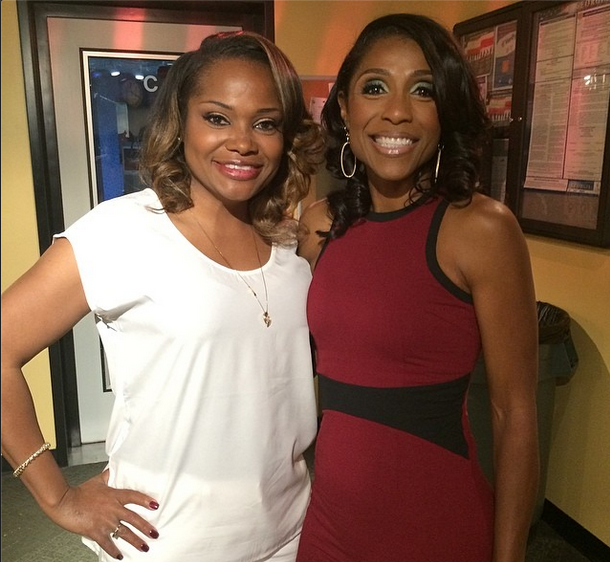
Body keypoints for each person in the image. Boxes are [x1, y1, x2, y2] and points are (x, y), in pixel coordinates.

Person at [1, 31, 324, 562]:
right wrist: (58, 497)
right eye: (217, 118)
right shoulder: (122, 231)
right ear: (181, 123)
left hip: (291, 534)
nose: (242, 142)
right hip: (166, 542)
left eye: (265, 123)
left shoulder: (291, 246)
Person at [296, 14, 539, 562]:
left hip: (434, 529)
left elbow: (515, 413)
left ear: (445, 109)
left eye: (423, 90)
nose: (397, 111)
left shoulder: (481, 229)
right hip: (329, 528)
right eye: (374, 87)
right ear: (344, 108)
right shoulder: (318, 225)